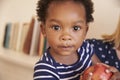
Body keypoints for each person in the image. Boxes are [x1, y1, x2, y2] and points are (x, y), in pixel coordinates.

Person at [33, 0, 99, 80]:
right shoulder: (44, 69)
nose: (66, 37)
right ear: (43, 30)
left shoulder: (85, 48)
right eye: (56, 27)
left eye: (76, 28)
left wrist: (111, 73)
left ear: (85, 31)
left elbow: (100, 67)